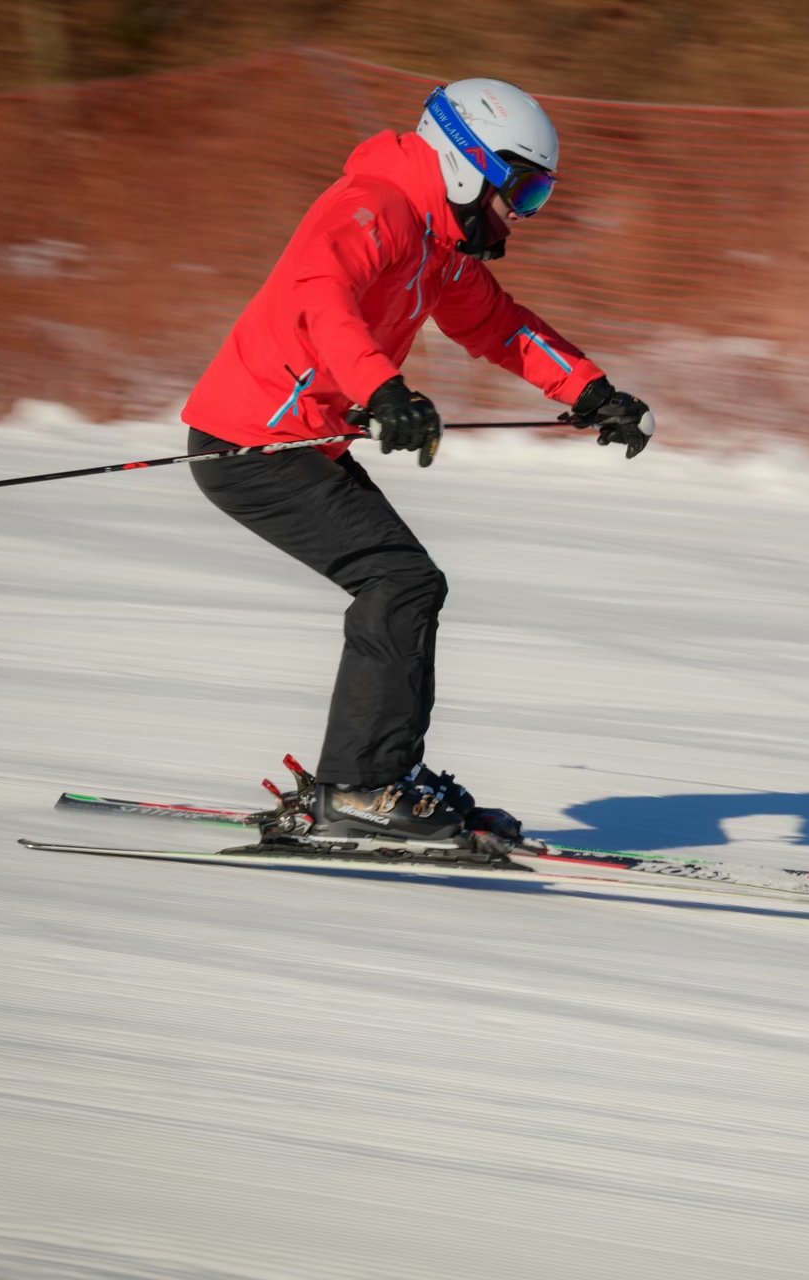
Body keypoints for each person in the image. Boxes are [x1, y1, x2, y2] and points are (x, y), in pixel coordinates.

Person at [180, 78, 654, 847]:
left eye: (536, 197)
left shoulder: (438, 243)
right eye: (523, 191)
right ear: (468, 163)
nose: (522, 214)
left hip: (297, 440)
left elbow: (499, 326)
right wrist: (383, 389)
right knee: (400, 580)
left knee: (404, 581)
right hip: (252, 443)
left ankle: (375, 774)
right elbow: (321, 298)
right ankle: (361, 786)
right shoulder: (373, 207)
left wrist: (593, 390)